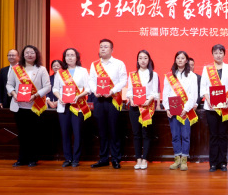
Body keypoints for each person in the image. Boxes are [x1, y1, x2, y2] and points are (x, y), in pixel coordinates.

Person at [6, 45, 50, 167]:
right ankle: (22, 158)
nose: (29, 55)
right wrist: (14, 94)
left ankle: (33, 158)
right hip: (19, 106)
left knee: (34, 134)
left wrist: (35, 95)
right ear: (23, 55)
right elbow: (9, 84)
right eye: (27, 52)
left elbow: (47, 87)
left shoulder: (41, 69)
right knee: (22, 134)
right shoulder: (16, 69)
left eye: (32, 53)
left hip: (35, 106)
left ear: (36, 55)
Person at [88, 38, 127, 169]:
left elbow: (123, 81)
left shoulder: (119, 63)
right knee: (102, 130)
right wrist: (95, 91)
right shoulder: (94, 64)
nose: (103, 49)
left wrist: (112, 91)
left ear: (112, 49)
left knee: (114, 130)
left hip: (113, 100)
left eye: (106, 46)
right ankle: (103, 158)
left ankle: (116, 159)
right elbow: (91, 80)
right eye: (101, 47)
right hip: (99, 100)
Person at [200, 44, 228, 172]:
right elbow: (203, 87)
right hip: (211, 108)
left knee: (223, 135)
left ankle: (222, 163)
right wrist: (208, 100)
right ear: (212, 54)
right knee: (213, 135)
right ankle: (213, 163)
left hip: (226, 107)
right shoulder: (207, 69)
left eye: (221, 53)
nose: (218, 55)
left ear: (224, 54)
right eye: (216, 53)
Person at [52, 48, 90, 168]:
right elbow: (55, 89)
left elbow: (88, 88)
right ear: (64, 58)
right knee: (65, 133)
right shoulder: (60, 73)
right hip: (63, 106)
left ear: (77, 57)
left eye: (72, 55)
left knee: (77, 133)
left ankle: (76, 159)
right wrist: (60, 98)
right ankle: (67, 158)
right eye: (67, 55)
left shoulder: (83, 71)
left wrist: (78, 96)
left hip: (77, 105)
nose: (70, 57)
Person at [163, 51, 198, 171]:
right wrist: (167, 108)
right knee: (175, 136)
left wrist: (186, 109)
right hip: (172, 110)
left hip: (186, 111)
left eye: (182, 58)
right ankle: (177, 159)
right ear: (175, 60)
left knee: (185, 135)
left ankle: (184, 160)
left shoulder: (192, 76)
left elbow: (193, 95)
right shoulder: (170, 75)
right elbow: (165, 93)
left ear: (186, 60)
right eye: (178, 58)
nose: (180, 60)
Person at [126, 50, 160, 170]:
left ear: (149, 60)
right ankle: (138, 159)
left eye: (145, 58)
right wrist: (131, 99)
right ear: (137, 60)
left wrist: (149, 100)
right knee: (136, 134)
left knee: (146, 134)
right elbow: (129, 91)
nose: (143, 60)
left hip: (147, 107)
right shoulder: (132, 75)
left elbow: (155, 92)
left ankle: (145, 159)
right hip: (135, 107)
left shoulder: (153, 74)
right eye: (140, 58)